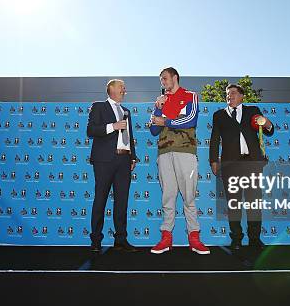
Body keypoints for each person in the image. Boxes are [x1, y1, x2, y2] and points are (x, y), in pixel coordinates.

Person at [149, 67, 209, 254]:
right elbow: (153, 130)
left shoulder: (190, 95)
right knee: (168, 196)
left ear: (175, 77)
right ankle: (166, 238)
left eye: (165, 78)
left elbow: (191, 120)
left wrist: (165, 121)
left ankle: (194, 238)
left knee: (189, 197)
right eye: (161, 80)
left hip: (185, 151)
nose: (163, 82)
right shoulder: (161, 100)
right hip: (164, 152)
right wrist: (158, 108)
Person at [209, 84, 274, 250]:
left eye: (232, 93)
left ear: (242, 96)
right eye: (227, 94)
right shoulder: (219, 115)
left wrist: (267, 123)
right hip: (230, 165)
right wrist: (213, 161)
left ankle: (255, 239)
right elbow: (215, 138)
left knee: (254, 203)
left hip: (252, 163)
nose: (229, 96)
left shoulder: (253, 111)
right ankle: (236, 239)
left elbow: (268, 130)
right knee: (234, 204)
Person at [86, 79, 137, 253]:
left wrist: (132, 157)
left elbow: (129, 136)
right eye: (122, 87)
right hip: (104, 161)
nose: (125, 90)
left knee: (122, 202)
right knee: (100, 199)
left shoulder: (126, 111)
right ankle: (96, 240)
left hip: (124, 161)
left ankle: (121, 240)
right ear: (112, 89)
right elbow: (91, 130)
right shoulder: (99, 106)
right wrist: (113, 126)